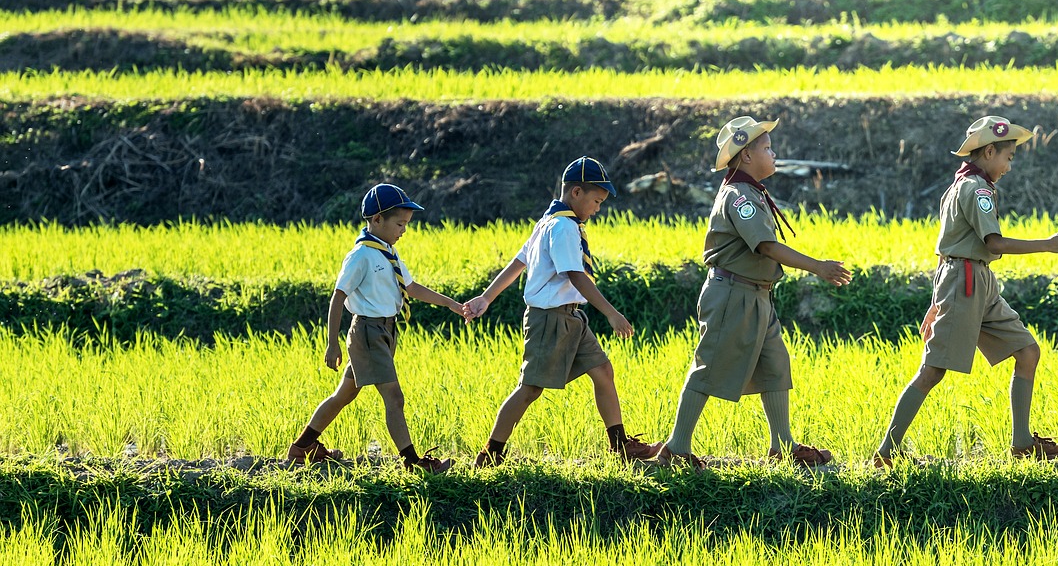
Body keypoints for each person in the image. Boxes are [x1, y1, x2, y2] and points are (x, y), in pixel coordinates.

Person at [873, 116, 1058, 466]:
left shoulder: (963, 186)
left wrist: (938, 299)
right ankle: (886, 452)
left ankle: (1022, 442)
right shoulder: (976, 189)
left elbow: (945, 249)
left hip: (976, 281)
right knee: (933, 371)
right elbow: (993, 241)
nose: (1009, 166)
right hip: (964, 282)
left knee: (1027, 352)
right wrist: (1047, 245)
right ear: (988, 151)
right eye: (1008, 157)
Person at [652, 117, 851, 469]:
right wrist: (818, 266)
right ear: (745, 156)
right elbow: (767, 247)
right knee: (708, 368)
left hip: (758, 294)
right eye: (767, 148)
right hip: (732, 294)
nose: (774, 154)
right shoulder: (739, 196)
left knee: (775, 364)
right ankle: (676, 448)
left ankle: (783, 446)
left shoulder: (752, 191)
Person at [465, 157, 660, 467]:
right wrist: (611, 313)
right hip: (550, 319)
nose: (597, 209)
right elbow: (576, 275)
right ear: (577, 193)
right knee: (529, 389)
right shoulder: (562, 226)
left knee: (603, 372)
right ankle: (491, 453)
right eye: (596, 201)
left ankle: (620, 444)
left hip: (572, 319)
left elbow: (519, 263)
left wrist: (487, 297)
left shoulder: (548, 222)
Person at [286, 183, 466, 473]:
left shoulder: (387, 253)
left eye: (406, 224)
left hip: (385, 332)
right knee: (395, 398)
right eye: (399, 223)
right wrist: (331, 343)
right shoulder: (361, 255)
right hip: (368, 332)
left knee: (344, 394)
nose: (403, 230)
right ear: (377, 219)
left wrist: (452, 305)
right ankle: (414, 463)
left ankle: (302, 447)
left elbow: (412, 287)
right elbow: (338, 296)